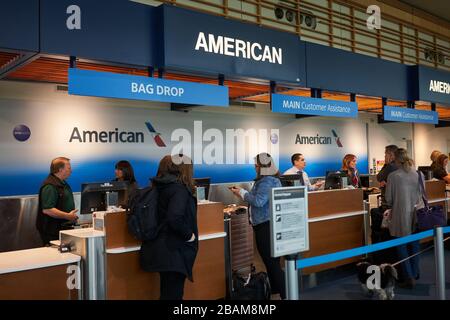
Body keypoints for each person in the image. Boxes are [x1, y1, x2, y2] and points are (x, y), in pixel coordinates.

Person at [140, 154, 198, 300]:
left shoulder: (160, 186)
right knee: (173, 294)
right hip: (174, 250)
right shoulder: (179, 190)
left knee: (167, 293)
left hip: (159, 247)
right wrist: (189, 236)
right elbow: (175, 218)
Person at [229, 153, 285, 300]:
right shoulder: (268, 180)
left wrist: (242, 192)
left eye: (256, 165)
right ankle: (276, 294)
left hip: (266, 226)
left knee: (272, 264)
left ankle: (285, 294)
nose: (255, 167)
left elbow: (259, 201)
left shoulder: (267, 181)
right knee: (271, 263)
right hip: (267, 225)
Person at [385, 148, 423, 289]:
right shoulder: (419, 174)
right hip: (418, 215)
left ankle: (409, 277)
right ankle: (414, 272)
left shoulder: (394, 176)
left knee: (401, 246)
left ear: (396, 160)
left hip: (401, 216)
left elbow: (388, 199)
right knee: (414, 245)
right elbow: (422, 195)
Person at [36, 157, 78, 245]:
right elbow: (48, 209)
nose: (71, 170)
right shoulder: (50, 186)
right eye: (69, 168)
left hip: (63, 228)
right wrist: (67, 216)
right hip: (52, 231)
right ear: (60, 169)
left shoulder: (62, 183)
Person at [376, 145, 399, 211]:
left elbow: (379, 177)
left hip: (388, 202)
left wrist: (386, 164)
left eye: (385, 154)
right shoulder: (399, 165)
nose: (384, 157)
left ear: (391, 155)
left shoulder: (391, 166)